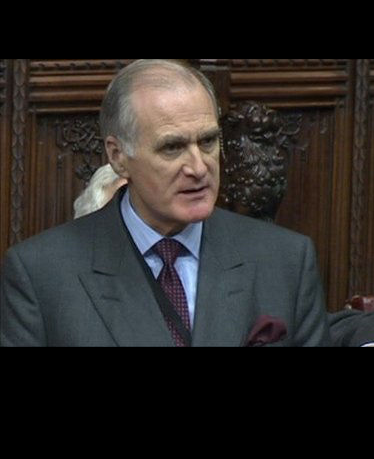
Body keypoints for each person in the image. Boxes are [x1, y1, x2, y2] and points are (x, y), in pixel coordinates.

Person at [0, 59, 333, 347]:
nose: (199, 168)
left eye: (208, 141)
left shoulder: (285, 260)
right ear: (118, 156)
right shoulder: (42, 274)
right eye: (172, 147)